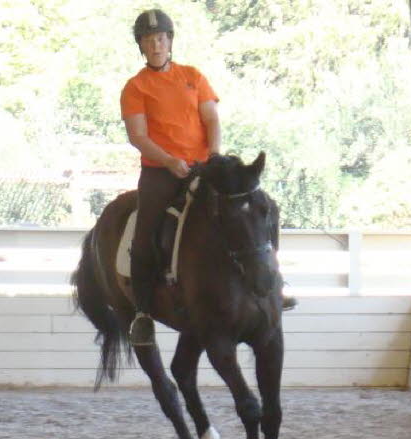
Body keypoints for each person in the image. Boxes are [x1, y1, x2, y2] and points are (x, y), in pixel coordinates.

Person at [120, 8, 295, 346]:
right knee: (143, 235)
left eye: (161, 38)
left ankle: (274, 283)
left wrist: (213, 155)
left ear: (170, 41)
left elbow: (211, 119)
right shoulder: (136, 87)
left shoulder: (193, 76)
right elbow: (138, 136)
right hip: (161, 171)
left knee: (262, 206)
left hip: (204, 164)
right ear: (141, 46)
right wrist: (170, 161)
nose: (155, 45)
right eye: (148, 40)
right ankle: (142, 314)